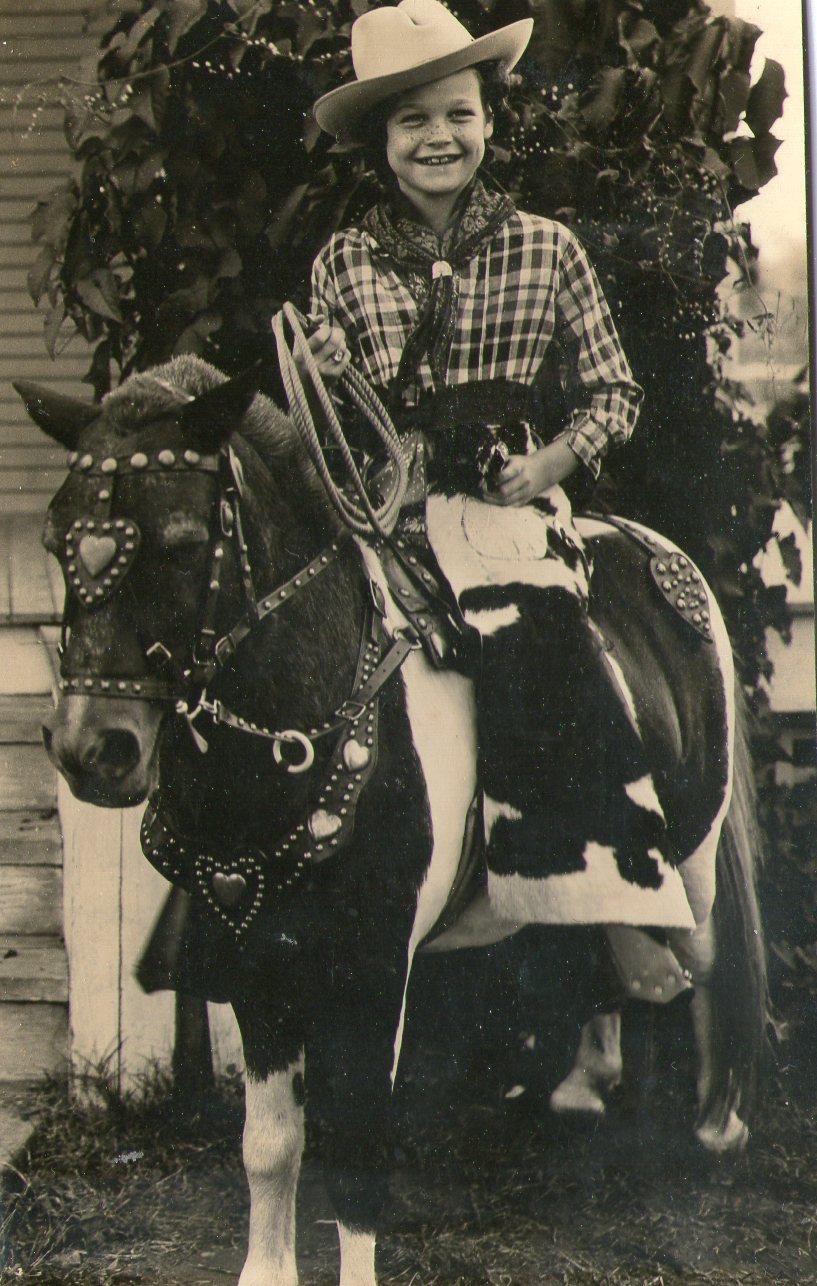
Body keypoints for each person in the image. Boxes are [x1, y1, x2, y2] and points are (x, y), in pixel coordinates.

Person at [298, 0, 695, 949]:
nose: (438, 137)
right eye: (412, 120)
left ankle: (599, 891)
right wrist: (321, 371)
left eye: (457, 114)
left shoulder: (544, 247)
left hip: (501, 505)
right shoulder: (343, 264)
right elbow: (329, 424)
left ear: (489, 116)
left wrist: (549, 462)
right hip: (386, 510)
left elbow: (613, 391)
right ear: (378, 141)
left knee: (539, 642)